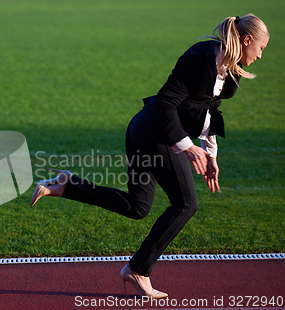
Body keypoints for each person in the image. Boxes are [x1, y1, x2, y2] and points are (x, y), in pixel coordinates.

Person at [30, 14, 269, 298]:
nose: (261, 55)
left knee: (137, 206)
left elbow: (206, 112)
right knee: (185, 204)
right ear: (247, 40)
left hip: (150, 132)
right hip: (153, 133)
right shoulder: (199, 57)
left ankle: (66, 185)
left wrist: (210, 153)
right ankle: (139, 270)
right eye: (262, 49)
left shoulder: (229, 73)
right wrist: (187, 146)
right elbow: (167, 102)